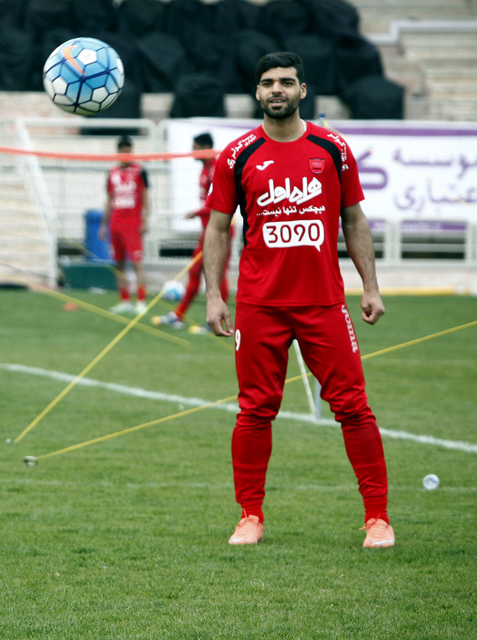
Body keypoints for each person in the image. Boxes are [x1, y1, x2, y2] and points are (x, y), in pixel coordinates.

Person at [203, 52, 394, 549]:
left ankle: (378, 518)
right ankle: (250, 515)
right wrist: (214, 296)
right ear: (258, 92)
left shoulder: (332, 149)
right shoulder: (237, 154)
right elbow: (218, 228)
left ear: (303, 90)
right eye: (267, 83)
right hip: (260, 306)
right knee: (254, 411)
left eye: (286, 82)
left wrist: (369, 286)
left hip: (324, 304)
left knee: (353, 407)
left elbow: (354, 220)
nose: (277, 90)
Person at [155, 133, 230, 329]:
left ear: (206, 147)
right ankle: (178, 316)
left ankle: (218, 320)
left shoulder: (215, 169)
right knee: (196, 271)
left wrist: (196, 212)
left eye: (195, 147)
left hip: (221, 231)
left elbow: (220, 204)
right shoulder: (204, 169)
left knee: (218, 273)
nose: (192, 151)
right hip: (207, 232)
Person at [99, 135, 150, 314]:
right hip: (116, 223)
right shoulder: (111, 173)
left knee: (137, 263)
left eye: (129, 151)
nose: (126, 154)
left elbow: (145, 197)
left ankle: (141, 301)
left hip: (133, 223)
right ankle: (125, 300)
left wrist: (145, 220)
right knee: (119, 264)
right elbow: (109, 200)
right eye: (123, 151)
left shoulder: (140, 171)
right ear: (118, 151)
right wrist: (103, 225)